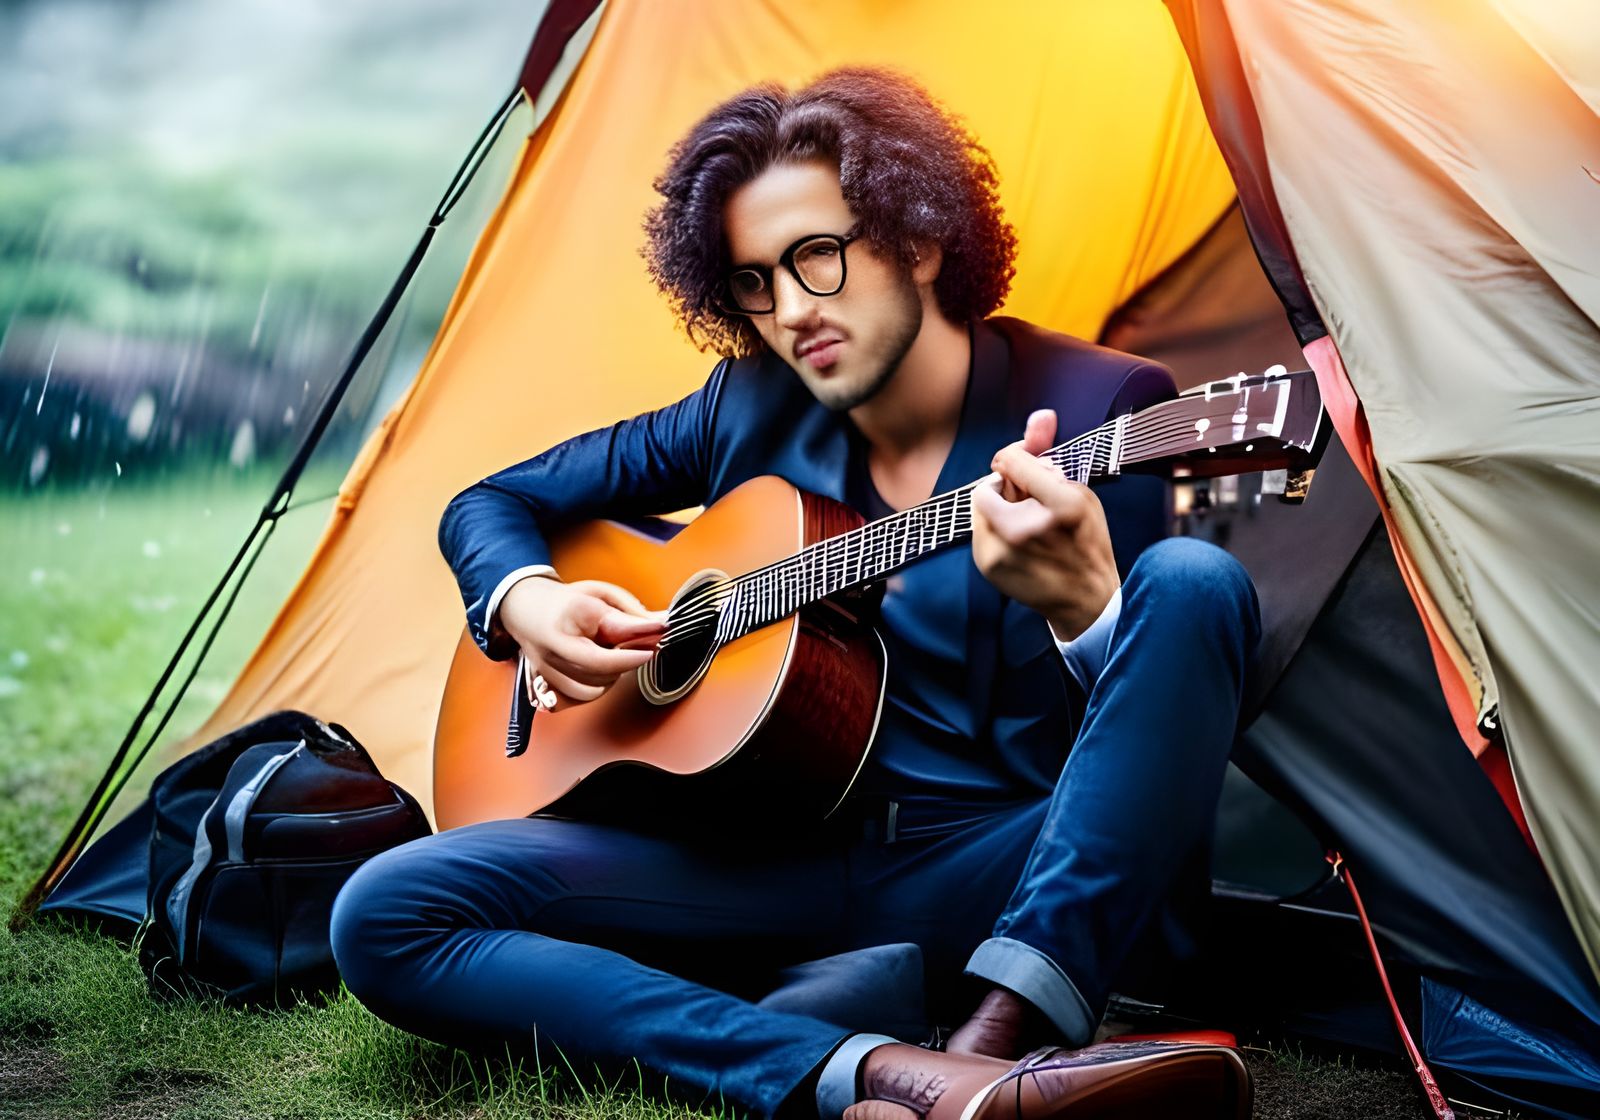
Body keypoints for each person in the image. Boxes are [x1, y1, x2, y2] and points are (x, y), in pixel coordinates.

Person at [331, 68, 1260, 1120]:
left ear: (918, 237)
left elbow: (1132, 756)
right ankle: (878, 1072)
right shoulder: (744, 406)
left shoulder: (1099, 407)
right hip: (748, 854)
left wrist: (1082, 611)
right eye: (753, 281)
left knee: (1194, 584)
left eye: (817, 256)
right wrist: (529, 602)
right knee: (386, 909)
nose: (788, 311)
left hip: (990, 866)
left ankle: (1000, 1031)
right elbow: (492, 502)